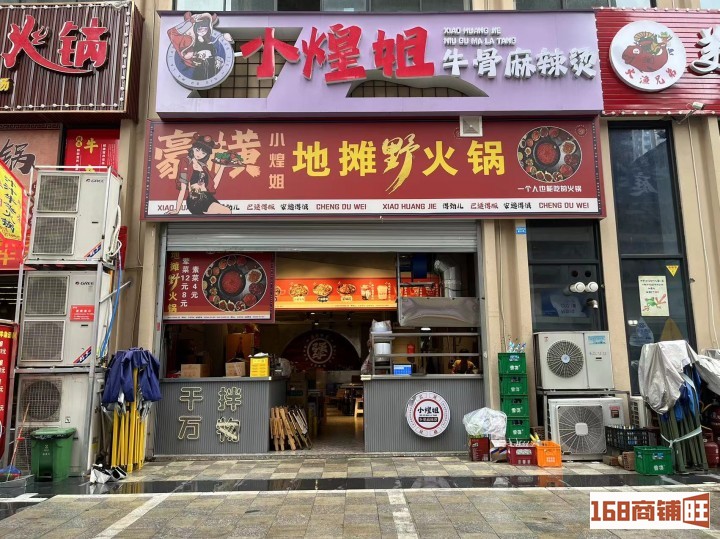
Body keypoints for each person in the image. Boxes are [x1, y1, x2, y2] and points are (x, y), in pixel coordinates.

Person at [166, 134, 230, 215]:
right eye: (197, 150)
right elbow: (183, 188)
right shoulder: (185, 162)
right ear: (193, 148)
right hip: (195, 199)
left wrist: (222, 167)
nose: (199, 154)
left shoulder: (203, 167)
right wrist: (177, 210)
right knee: (226, 211)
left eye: (203, 153)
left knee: (226, 213)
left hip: (209, 198)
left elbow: (213, 186)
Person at [168, 12, 225, 81]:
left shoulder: (208, 40)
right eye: (200, 29)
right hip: (199, 68)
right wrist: (189, 23)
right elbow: (172, 33)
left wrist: (216, 59)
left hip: (210, 67)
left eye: (205, 29)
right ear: (195, 28)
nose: (203, 31)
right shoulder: (189, 40)